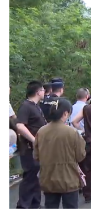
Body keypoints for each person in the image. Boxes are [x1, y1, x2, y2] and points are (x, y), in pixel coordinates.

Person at [33, 98, 86, 210]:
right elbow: (80, 156)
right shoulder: (72, 132)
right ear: (65, 113)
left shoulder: (41, 131)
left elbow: (36, 156)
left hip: (48, 179)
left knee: (50, 206)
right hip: (69, 179)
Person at [16, 81, 47, 209]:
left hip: (38, 148)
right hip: (29, 148)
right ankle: (23, 205)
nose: (44, 92)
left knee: (35, 176)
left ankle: (35, 203)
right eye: (43, 90)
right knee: (29, 176)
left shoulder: (36, 106)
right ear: (38, 92)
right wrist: (33, 140)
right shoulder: (26, 106)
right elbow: (20, 125)